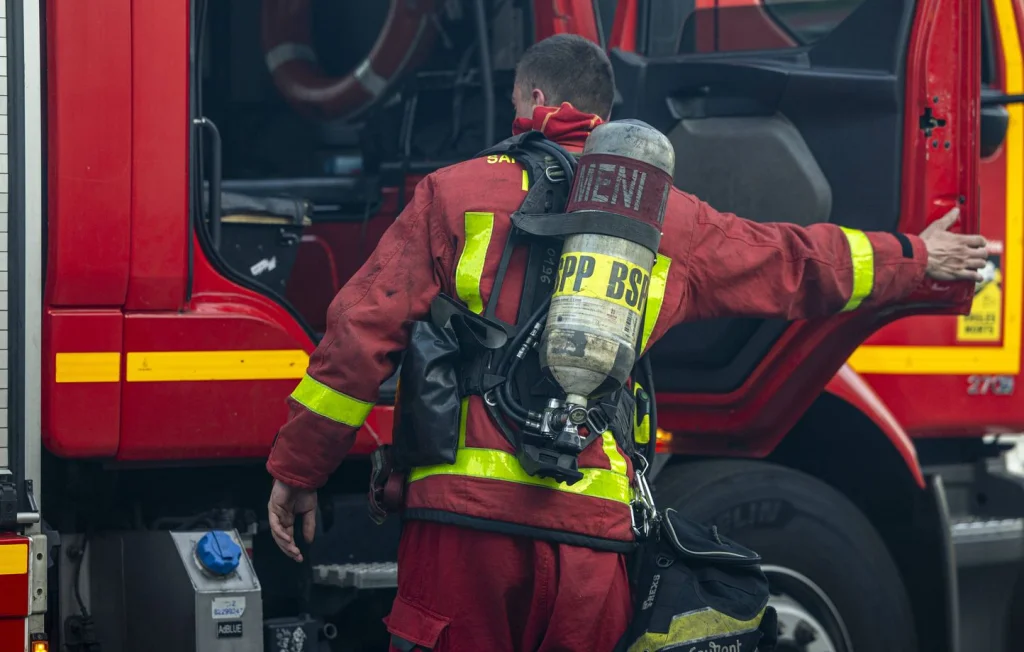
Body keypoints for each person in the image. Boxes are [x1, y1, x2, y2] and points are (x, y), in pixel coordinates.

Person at [265, 34, 987, 652]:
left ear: (528, 101)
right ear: (605, 117)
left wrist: (301, 470)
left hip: (462, 530)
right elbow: (796, 262)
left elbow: (359, 335)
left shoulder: (452, 194)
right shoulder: (669, 220)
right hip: (591, 532)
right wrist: (914, 258)